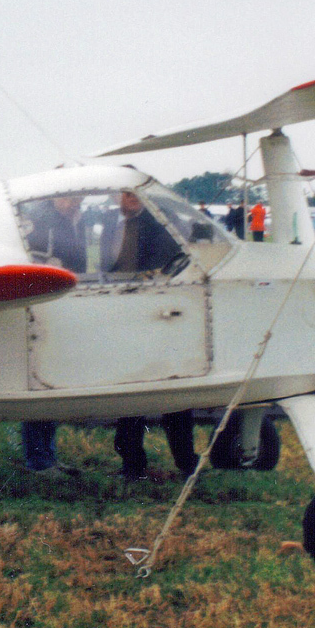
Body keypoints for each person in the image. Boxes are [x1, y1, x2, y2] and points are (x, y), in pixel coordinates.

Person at [102, 191, 197, 479]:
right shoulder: (109, 221)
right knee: (130, 391)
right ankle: (132, 463)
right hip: (121, 314)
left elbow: (169, 264)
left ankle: (186, 462)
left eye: (135, 192)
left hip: (157, 313)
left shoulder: (160, 224)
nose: (132, 198)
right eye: (125, 193)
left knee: (173, 391)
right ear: (115, 195)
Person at [20, 195, 88, 473]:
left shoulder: (67, 219)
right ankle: (39, 460)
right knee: (40, 385)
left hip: (58, 305)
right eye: (71, 196)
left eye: (79, 197)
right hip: (45, 309)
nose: (75, 202)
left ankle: (47, 455)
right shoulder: (43, 221)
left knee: (49, 385)